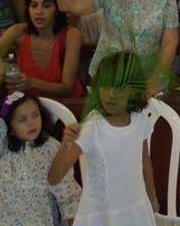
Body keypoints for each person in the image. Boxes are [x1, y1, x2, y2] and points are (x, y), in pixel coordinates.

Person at [49, 51, 160, 224]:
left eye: (119, 88)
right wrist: (65, 145)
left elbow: (144, 160)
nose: (110, 95)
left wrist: (153, 199)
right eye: (105, 86)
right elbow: (54, 178)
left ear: (134, 90)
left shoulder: (140, 119)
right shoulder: (92, 127)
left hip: (136, 211)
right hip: (101, 216)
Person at [0, 88, 81, 226]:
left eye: (35, 115)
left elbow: (68, 191)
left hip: (34, 220)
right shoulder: (3, 146)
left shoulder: (53, 148)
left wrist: (74, 219)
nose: (31, 123)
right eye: (22, 119)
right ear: (10, 128)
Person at [0, 0, 83, 98]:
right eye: (34, 5)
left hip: (66, 105)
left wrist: (31, 83)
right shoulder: (18, 31)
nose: (38, 12)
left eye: (46, 6)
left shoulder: (72, 35)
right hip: (29, 104)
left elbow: (67, 88)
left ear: (58, 9)